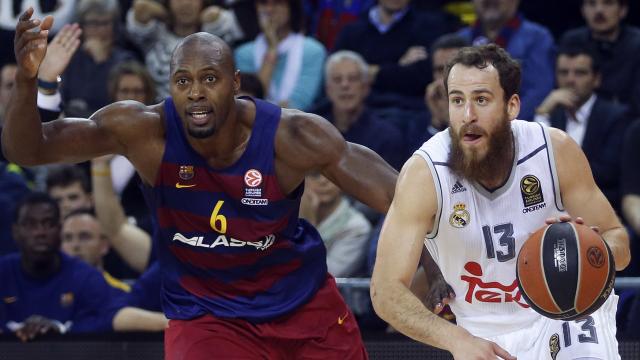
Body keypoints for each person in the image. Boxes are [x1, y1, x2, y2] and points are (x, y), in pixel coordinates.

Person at [5, 8, 398, 359]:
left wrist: (434, 269)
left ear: (235, 82)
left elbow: (401, 201)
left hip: (304, 308)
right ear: (170, 86)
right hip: (208, 317)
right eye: (183, 81)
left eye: (210, 78)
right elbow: (29, 150)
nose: (195, 93)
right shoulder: (144, 132)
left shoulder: (292, 135)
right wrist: (26, 81)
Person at [370, 44, 630, 359]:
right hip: (480, 335)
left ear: (512, 106)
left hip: (566, 314)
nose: (468, 115)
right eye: (457, 100)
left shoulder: (554, 151)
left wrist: (588, 250)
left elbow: (618, 242)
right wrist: (454, 339)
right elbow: (385, 291)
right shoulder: (425, 173)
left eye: (481, 100)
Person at [0, 192, 118, 340]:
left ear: (60, 229)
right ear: (15, 231)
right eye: (30, 224)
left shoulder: (87, 277)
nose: (40, 232)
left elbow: (104, 327)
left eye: (48, 224)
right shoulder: (3, 273)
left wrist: (59, 332)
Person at [535, 45, 631, 214]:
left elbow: (607, 173)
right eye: (563, 73)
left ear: (596, 79)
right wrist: (542, 113)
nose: (570, 80)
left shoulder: (616, 116)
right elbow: (534, 164)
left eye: (580, 73)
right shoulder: (551, 114)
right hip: (551, 211)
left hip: (599, 210)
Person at [457, 0, 555, 121]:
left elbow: (538, 90)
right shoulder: (460, 39)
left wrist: (502, 123)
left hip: (517, 128)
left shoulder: (537, 38)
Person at [234, 0, 326, 110]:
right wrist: (272, 49)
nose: (269, 10)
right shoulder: (243, 53)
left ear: (291, 8)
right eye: (264, 4)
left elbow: (300, 103)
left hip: (298, 124)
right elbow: (249, 102)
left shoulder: (314, 51)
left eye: (277, 3)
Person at [559, 0, 640, 117]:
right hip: (577, 116)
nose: (599, 10)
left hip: (628, 121)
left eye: (608, 3)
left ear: (622, 10)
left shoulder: (636, 44)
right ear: (583, 10)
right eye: (592, 4)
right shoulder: (571, 41)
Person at [300, 172, 371, 277]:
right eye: (315, 175)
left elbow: (327, 273)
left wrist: (307, 225)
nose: (323, 181)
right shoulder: (286, 215)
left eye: (330, 174)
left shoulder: (358, 227)